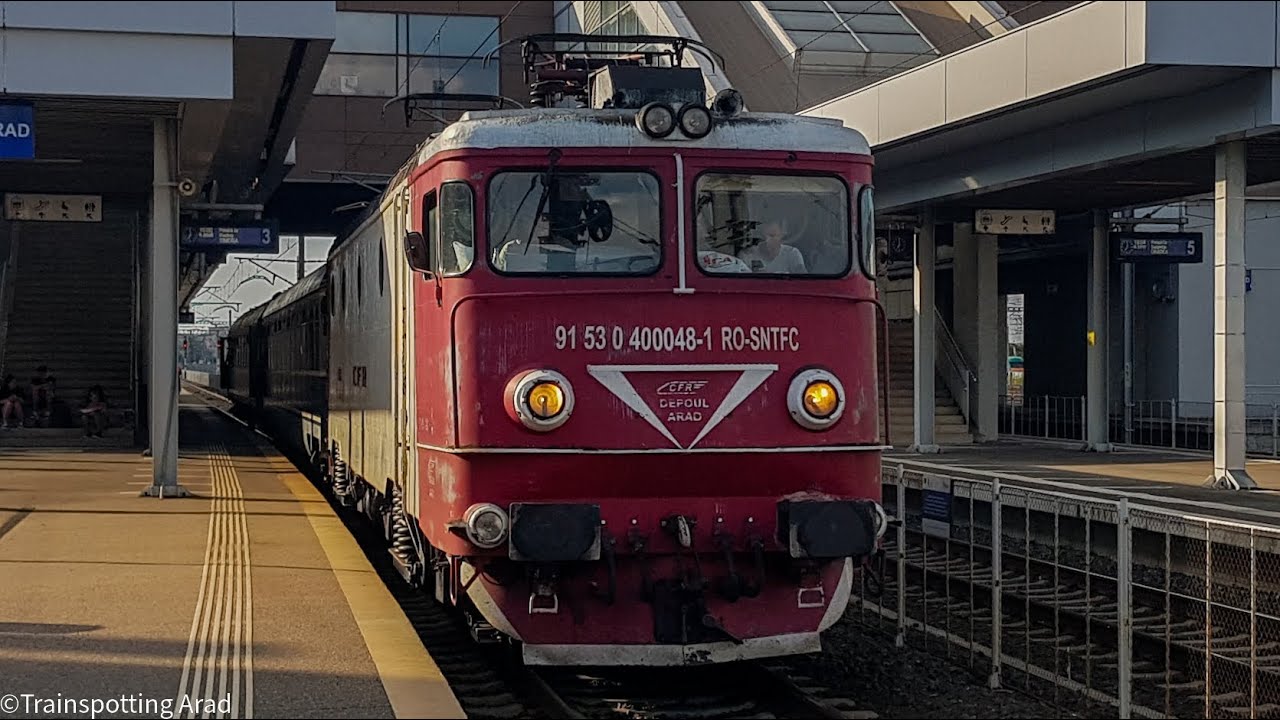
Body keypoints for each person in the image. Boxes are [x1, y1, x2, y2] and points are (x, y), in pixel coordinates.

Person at [740, 218, 807, 274]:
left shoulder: (792, 254)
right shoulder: (747, 256)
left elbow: (804, 282)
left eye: (772, 236)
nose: (767, 240)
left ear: (781, 235)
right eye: (762, 236)